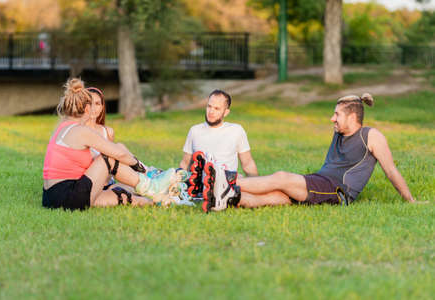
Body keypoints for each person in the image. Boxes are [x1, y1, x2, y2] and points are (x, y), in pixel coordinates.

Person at [203, 93, 415, 212]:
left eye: (337, 114)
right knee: (276, 197)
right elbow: (349, 100)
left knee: (282, 178)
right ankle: (227, 198)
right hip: (320, 181)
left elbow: (391, 171)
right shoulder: (340, 130)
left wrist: (411, 201)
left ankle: (223, 182)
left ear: (352, 117)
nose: (332, 119)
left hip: (338, 190)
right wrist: (360, 97)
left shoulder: (371, 136)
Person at [42, 78, 186, 211]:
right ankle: (152, 186)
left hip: (51, 197)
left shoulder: (62, 127)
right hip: (69, 196)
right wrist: (139, 167)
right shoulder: (81, 130)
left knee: (116, 195)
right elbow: (119, 154)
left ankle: (156, 200)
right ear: (86, 109)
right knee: (108, 157)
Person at [178, 89, 258, 211]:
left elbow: (247, 163)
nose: (211, 111)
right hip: (203, 186)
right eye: (209, 106)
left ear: (226, 112)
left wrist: (256, 186)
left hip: (228, 181)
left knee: (241, 181)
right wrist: (178, 186)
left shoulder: (236, 130)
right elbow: (185, 164)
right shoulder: (195, 131)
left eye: (217, 108)